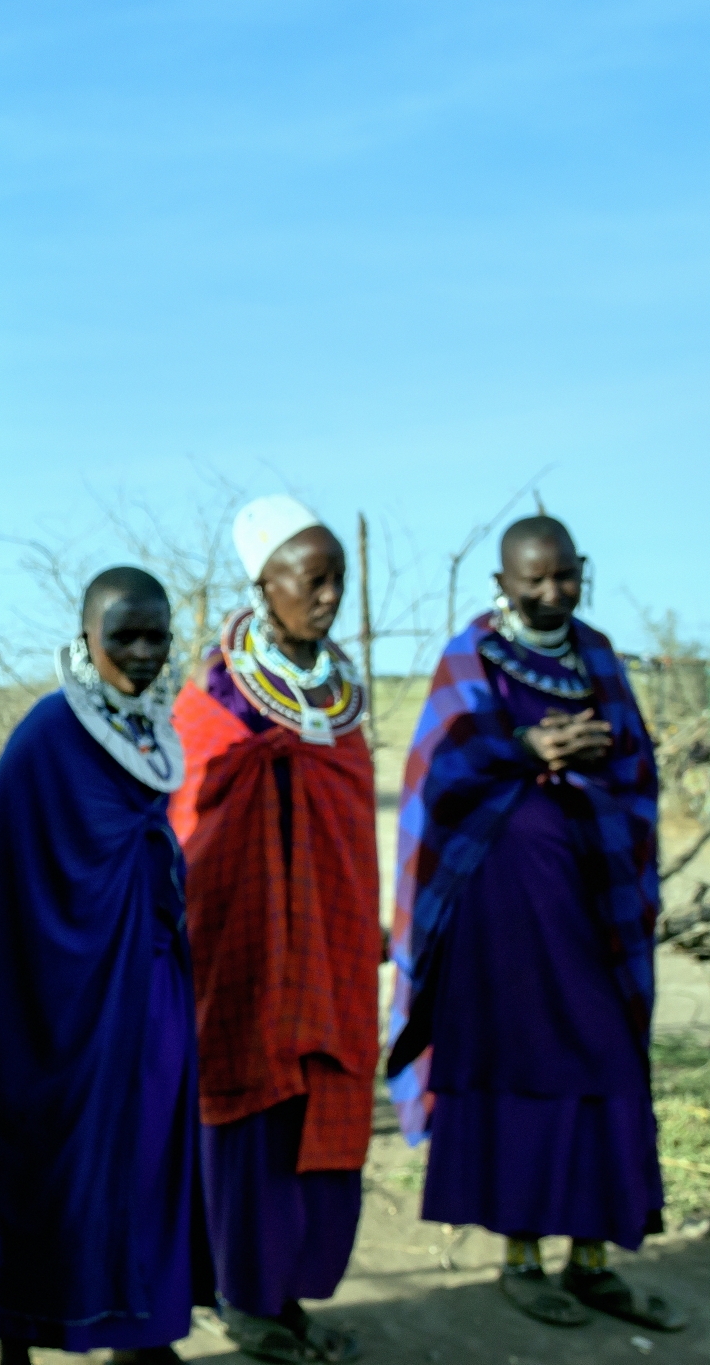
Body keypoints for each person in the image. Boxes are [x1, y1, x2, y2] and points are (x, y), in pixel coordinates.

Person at [389, 516, 681, 1332]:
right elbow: (440, 770)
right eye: (534, 581)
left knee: (608, 1060)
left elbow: (637, 767)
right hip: (502, 912)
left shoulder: (596, 654)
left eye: (566, 577)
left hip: (593, 907)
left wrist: (596, 748)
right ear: (502, 581)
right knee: (518, 1065)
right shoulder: (469, 657)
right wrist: (523, 745)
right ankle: (520, 1255)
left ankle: (592, 1258)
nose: (551, 594)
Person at [171, 494, 378, 1364]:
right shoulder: (216, 694)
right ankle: (243, 1298)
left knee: (317, 1114)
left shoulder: (346, 700)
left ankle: (288, 1290)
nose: (329, 595)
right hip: (244, 948)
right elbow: (193, 811)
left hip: (329, 946)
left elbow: (352, 819)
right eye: (313, 578)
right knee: (250, 1114)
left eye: (338, 578)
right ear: (265, 582)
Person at [0, 566, 196, 1365]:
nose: (143, 653)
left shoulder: (150, 730)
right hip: (64, 998)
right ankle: (26, 1329)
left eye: (157, 636)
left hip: (151, 983)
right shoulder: (47, 734)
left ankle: (142, 1332)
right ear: (86, 640)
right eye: (125, 636)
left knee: (151, 1154)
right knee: (57, 1159)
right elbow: (7, 874)